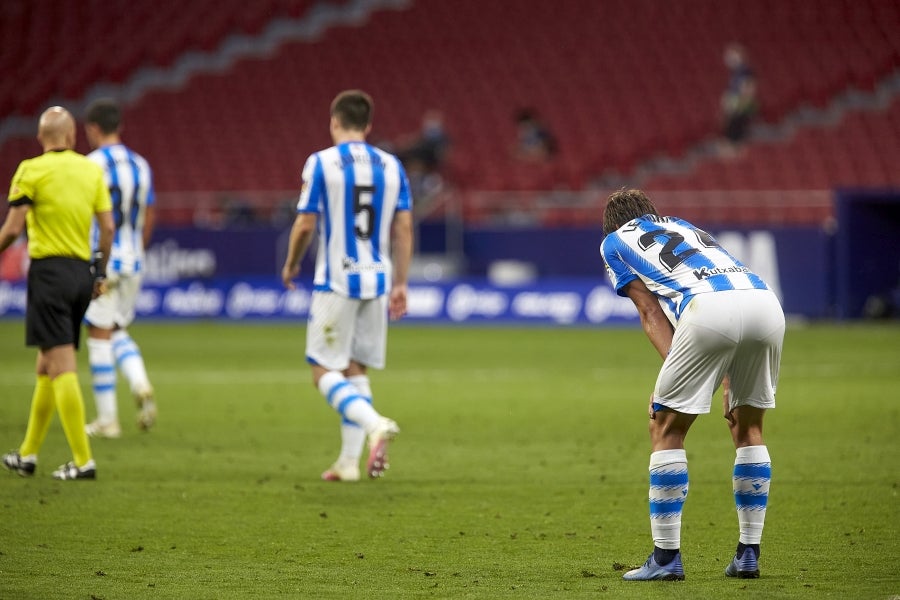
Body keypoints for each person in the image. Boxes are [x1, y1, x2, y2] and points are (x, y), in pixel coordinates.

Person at [599, 189, 784, 581]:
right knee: (747, 426)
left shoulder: (615, 242)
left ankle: (666, 559)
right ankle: (748, 552)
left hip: (710, 309)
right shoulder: (682, 226)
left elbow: (650, 311)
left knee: (665, 424)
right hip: (764, 303)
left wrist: (675, 376)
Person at [281, 90, 413, 482]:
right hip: (377, 279)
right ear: (369, 125)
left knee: (322, 368)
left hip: (337, 279)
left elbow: (305, 223)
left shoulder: (322, 162)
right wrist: (401, 282)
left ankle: (374, 423)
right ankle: (348, 464)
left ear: (334, 121)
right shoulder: (392, 166)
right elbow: (403, 227)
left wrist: (290, 264)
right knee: (355, 368)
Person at [0, 106, 114, 480]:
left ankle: (84, 462)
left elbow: (14, 228)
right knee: (46, 364)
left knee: (61, 364)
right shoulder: (90, 170)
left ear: (40, 138)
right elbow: (108, 227)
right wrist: (99, 270)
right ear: (70, 137)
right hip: (81, 273)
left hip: (48, 272)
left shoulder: (30, 170)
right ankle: (28, 454)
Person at [82, 98, 157, 438]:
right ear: (120, 126)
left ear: (93, 129)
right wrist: (137, 247)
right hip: (134, 260)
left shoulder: (90, 164)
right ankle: (139, 381)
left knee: (98, 333)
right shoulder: (141, 165)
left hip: (104, 257)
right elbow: (150, 213)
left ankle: (108, 420)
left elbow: (84, 211)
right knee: (116, 329)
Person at [719, 43, 758, 156]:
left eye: (732, 55)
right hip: (735, 107)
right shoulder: (736, 73)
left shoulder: (745, 72)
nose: (728, 59)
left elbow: (748, 91)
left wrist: (739, 106)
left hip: (741, 108)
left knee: (736, 136)